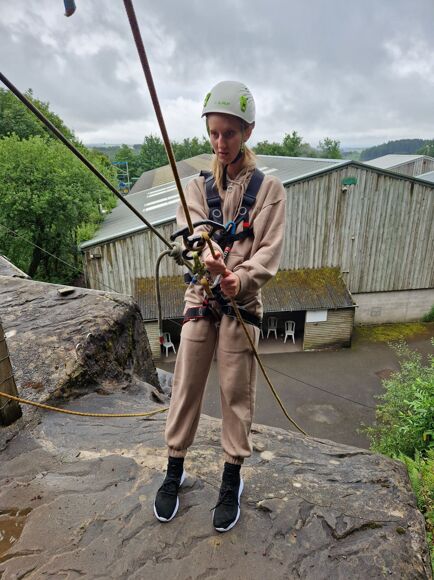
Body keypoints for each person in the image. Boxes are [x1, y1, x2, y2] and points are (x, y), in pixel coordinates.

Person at [154, 80, 286, 532]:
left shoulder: (269, 191)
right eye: (213, 133)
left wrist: (239, 278)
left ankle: (232, 478)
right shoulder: (196, 187)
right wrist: (205, 255)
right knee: (185, 382)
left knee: (235, 390)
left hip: (241, 302)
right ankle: (175, 467)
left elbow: (268, 251)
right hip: (201, 296)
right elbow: (191, 233)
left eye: (229, 133)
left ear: (247, 132)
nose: (220, 142)